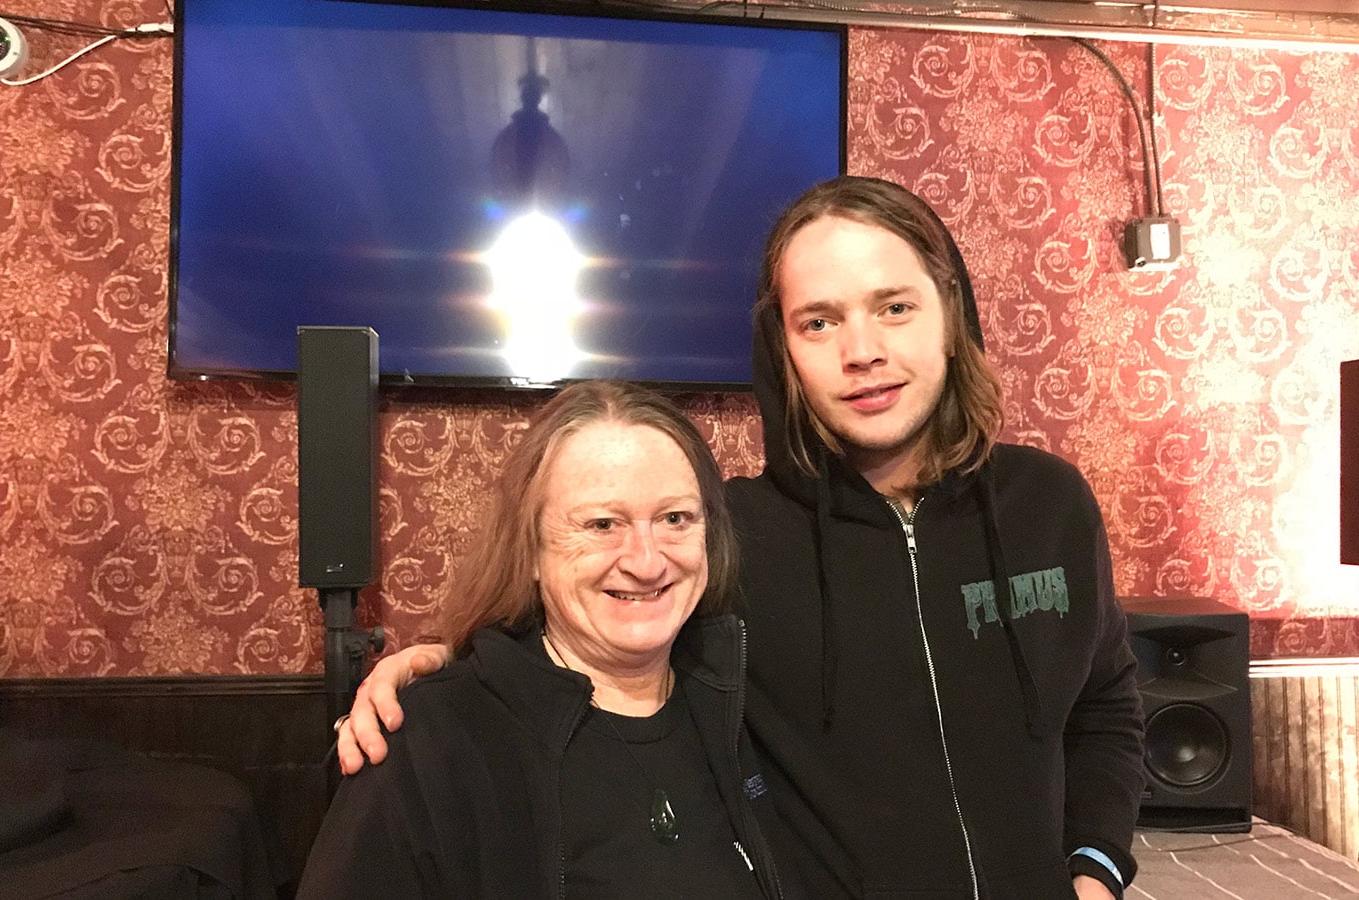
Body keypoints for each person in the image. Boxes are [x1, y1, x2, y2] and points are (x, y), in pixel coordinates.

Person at [336, 177, 1145, 899]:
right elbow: (593, 626)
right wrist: (438, 665)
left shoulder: (1052, 505)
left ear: (948, 313)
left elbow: (1106, 703)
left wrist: (1096, 869)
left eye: (894, 307)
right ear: (782, 348)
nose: (863, 352)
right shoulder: (728, 536)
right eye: (819, 322)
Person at [299, 380, 791, 898]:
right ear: (530, 551)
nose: (647, 562)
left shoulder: (746, 702)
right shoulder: (428, 749)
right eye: (602, 524)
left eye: (674, 519)